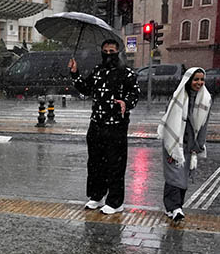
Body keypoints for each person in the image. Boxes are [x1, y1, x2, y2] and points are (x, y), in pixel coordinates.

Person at [68, 39, 140, 215]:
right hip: (96, 124)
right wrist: (75, 73)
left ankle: (115, 202)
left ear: (118, 52)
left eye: (111, 51)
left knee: (115, 164)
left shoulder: (127, 73)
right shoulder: (98, 71)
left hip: (116, 126)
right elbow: (86, 89)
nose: (108, 55)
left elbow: (135, 94)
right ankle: (96, 195)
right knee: (95, 163)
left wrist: (126, 103)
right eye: (105, 51)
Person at [157, 67, 211, 222]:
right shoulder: (178, 97)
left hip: (190, 144)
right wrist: (173, 142)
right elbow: (170, 119)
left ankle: (174, 206)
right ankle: (175, 208)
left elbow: (203, 125)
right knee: (174, 175)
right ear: (188, 80)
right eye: (196, 79)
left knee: (182, 176)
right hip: (173, 143)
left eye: (201, 79)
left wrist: (199, 144)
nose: (199, 83)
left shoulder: (206, 99)